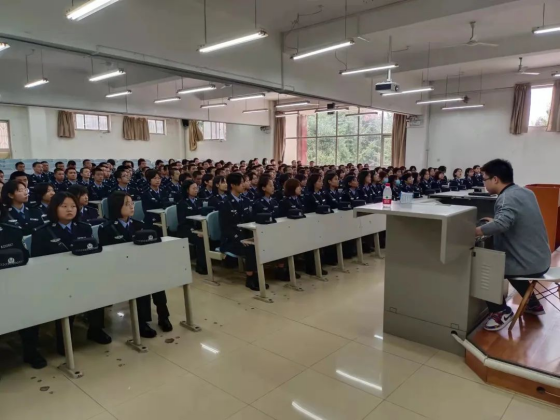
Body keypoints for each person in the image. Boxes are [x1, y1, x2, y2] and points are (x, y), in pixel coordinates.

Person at [31, 192, 111, 354]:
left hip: (83, 274)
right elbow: (38, 263)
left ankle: (95, 329)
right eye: (64, 206)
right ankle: (63, 338)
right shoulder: (42, 232)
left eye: (73, 206)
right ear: (54, 208)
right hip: (58, 279)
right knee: (66, 302)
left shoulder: (84, 227)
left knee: (97, 291)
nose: (70, 210)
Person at [475, 159, 551, 331]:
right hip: (541, 259)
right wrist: (495, 221)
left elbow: (502, 224)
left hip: (527, 263)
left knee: (487, 268)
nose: (484, 183)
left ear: (495, 179)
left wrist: (476, 231)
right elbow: (515, 219)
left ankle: (500, 311)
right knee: (508, 263)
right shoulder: (526, 192)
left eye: (485, 179)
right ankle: (532, 303)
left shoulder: (506, 197)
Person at [98, 191, 172, 336]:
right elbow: (107, 256)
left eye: (132, 203)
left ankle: (163, 315)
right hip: (119, 269)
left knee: (157, 279)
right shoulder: (106, 228)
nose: (132, 206)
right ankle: (142, 322)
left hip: (140, 265)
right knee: (141, 282)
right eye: (127, 204)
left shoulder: (139, 224)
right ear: (116, 206)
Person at [219, 173, 266, 291]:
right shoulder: (226, 203)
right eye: (241, 183)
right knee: (250, 247)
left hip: (245, 235)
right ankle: (250, 278)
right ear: (233, 185)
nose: (243, 185)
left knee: (259, 244)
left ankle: (257, 275)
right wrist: (239, 238)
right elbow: (226, 227)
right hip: (231, 239)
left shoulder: (245, 200)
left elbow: (250, 220)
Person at [176, 180, 207, 275]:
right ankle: (201, 266)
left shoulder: (199, 201)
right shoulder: (182, 203)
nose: (196, 190)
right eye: (193, 188)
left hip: (198, 228)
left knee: (207, 236)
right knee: (200, 239)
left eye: (197, 188)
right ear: (187, 190)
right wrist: (194, 231)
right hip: (186, 230)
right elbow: (182, 222)